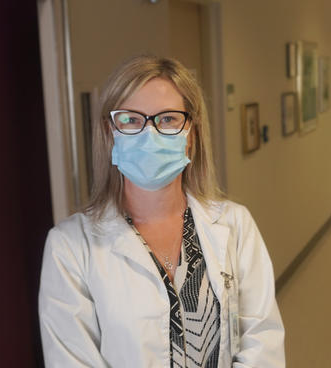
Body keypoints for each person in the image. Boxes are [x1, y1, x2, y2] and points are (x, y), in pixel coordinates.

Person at [38, 55, 285, 367]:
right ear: (109, 132)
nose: (149, 135)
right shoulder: (70, 247)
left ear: (191, 134)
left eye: (168, 119)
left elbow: (263, 341)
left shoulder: (235, 225)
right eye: (131, 119)